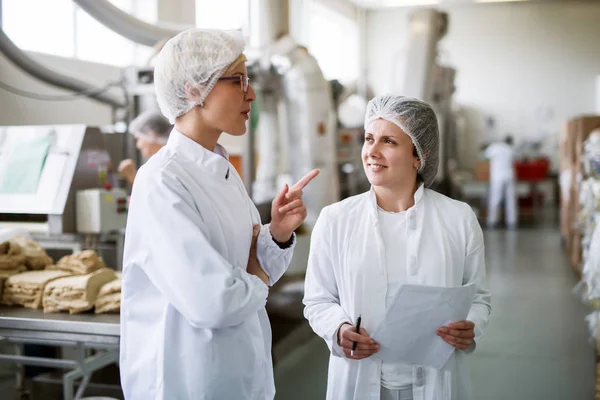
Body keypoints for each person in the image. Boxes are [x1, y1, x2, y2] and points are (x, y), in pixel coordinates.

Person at [119, 28, 319, 400]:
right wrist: (254, 275)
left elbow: (254, 273)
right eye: (239, 81)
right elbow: (212, 301)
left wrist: (276, 232)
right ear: (195, 90)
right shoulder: (162, 181)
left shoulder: (221, 170)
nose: (252, 94)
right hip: (187, 379)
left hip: (236, 372)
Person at [303, 95, 491, 400]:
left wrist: (471, 324)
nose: (371, 152)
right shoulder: (335, 220)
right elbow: (318, 300)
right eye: (368, 139)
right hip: (359, 379)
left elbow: (478, 296)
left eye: (389, 141)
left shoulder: (458, 219)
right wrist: (339, 330)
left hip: (436, 380)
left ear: (419, 155)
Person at [117, 110, 173, 185]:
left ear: (152, 134)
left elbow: (156, 194)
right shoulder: (160, 162)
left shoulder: (167, 164)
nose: (138, 145)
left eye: (138, 139)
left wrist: (132, 176)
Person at [485, 135, 517, 229]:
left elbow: (484, 156)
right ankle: (512, 221)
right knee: (511, 199)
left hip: (497, 177)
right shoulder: (509, 148)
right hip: (509, 176)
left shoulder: (494, 147)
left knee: (495, 199)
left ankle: (492, 221)